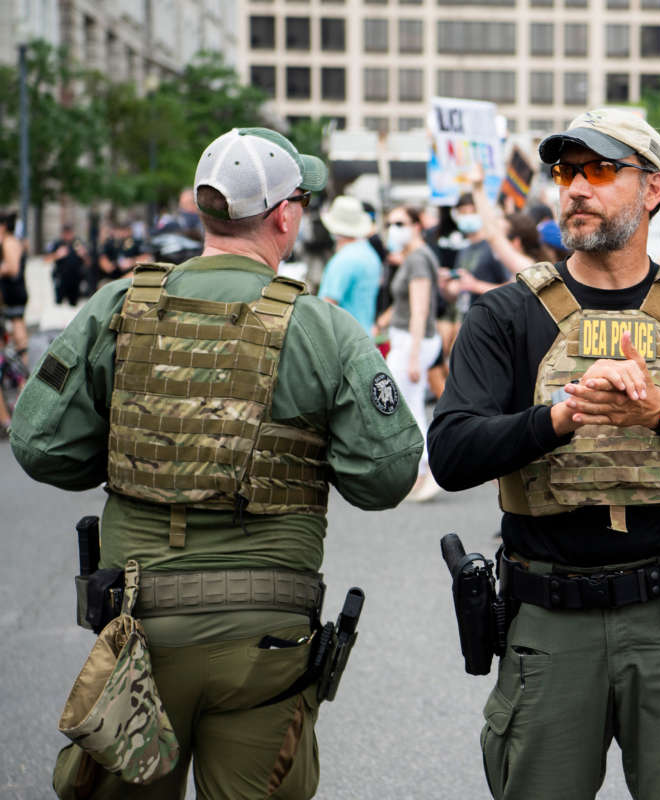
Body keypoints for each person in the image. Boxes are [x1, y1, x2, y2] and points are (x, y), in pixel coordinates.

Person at [10, 126, 422, 800]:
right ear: (285, 215)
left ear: (205, 208)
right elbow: (386, 477)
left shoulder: (119, 306)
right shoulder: (321, 328)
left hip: (138, 631)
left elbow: (39, 443)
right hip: (266, 641)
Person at [427, 108, 660, 800]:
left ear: (653, 189)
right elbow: (449, 451)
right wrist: (560, 417)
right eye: (565, 172)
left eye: (599, 170)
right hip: (549, 619)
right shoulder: (507, 316)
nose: (575, 189)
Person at [376, 205, 443, 503]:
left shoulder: (417, 259)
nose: (394, 228)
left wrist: (414, 356)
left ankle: (430, 471)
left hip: (413, 342)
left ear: (417, 225)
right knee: (410, 406)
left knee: (410, 409)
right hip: (408, 339)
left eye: (400, 222)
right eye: (391, 223)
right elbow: (407, 303)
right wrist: (386, 319)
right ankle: (421, 472)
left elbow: (420, 309)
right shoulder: (414, 257)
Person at [317, 195, 383, 333]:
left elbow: (327, 307)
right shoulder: (369, 253)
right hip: (363, 337)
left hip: (343, 343)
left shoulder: (343, 260)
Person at [1, 211, 29, 367]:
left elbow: (13, 269)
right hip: (16, 291)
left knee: (18, 328)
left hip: (13, 292)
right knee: (17, 329)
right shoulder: (14, 241)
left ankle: (22, 371)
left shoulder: (9, 242)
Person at [48, 223, 90, 306]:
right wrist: (57, 255)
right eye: (65, 233)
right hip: (61, 278)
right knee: (58, 304)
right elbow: (46, 259)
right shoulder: (57, 243)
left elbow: (88, 262)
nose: (68, 235)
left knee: (74, 303)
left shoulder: (78, 243)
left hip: (75, 278)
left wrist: (83, 254)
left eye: (69, 233)